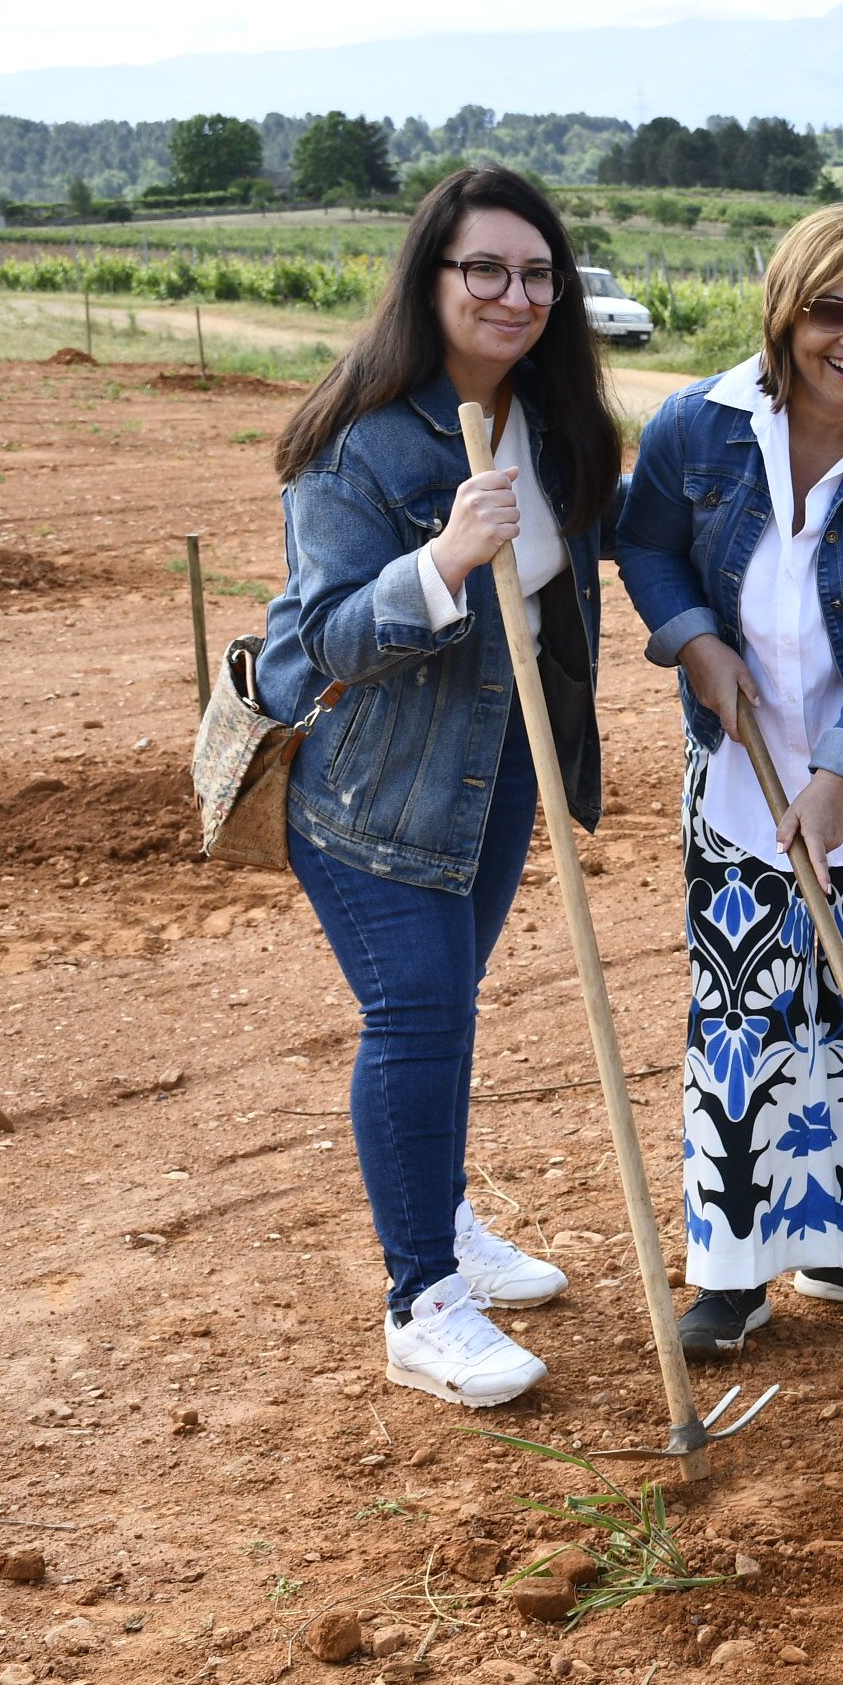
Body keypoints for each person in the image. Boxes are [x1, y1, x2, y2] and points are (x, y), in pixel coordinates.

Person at [255, 167, 623, 1406]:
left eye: (535, 273)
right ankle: (422, 1296)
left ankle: (444, 1215)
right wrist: (443, 559)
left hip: (502, 767)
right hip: (377, 790)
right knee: (414, 1014)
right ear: (433, 279)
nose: (514, 294)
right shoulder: (360, 441)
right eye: (486, 270)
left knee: (452, 1006)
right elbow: (317, 648)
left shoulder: (553, 419)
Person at [617, 205, 843, 1362]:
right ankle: (733, 1273)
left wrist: (838, 778)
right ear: (786, 308)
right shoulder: (699, 426)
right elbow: (648, 541)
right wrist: (690, 637)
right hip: (742, 769)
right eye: (832, 310)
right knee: (748, 1016)